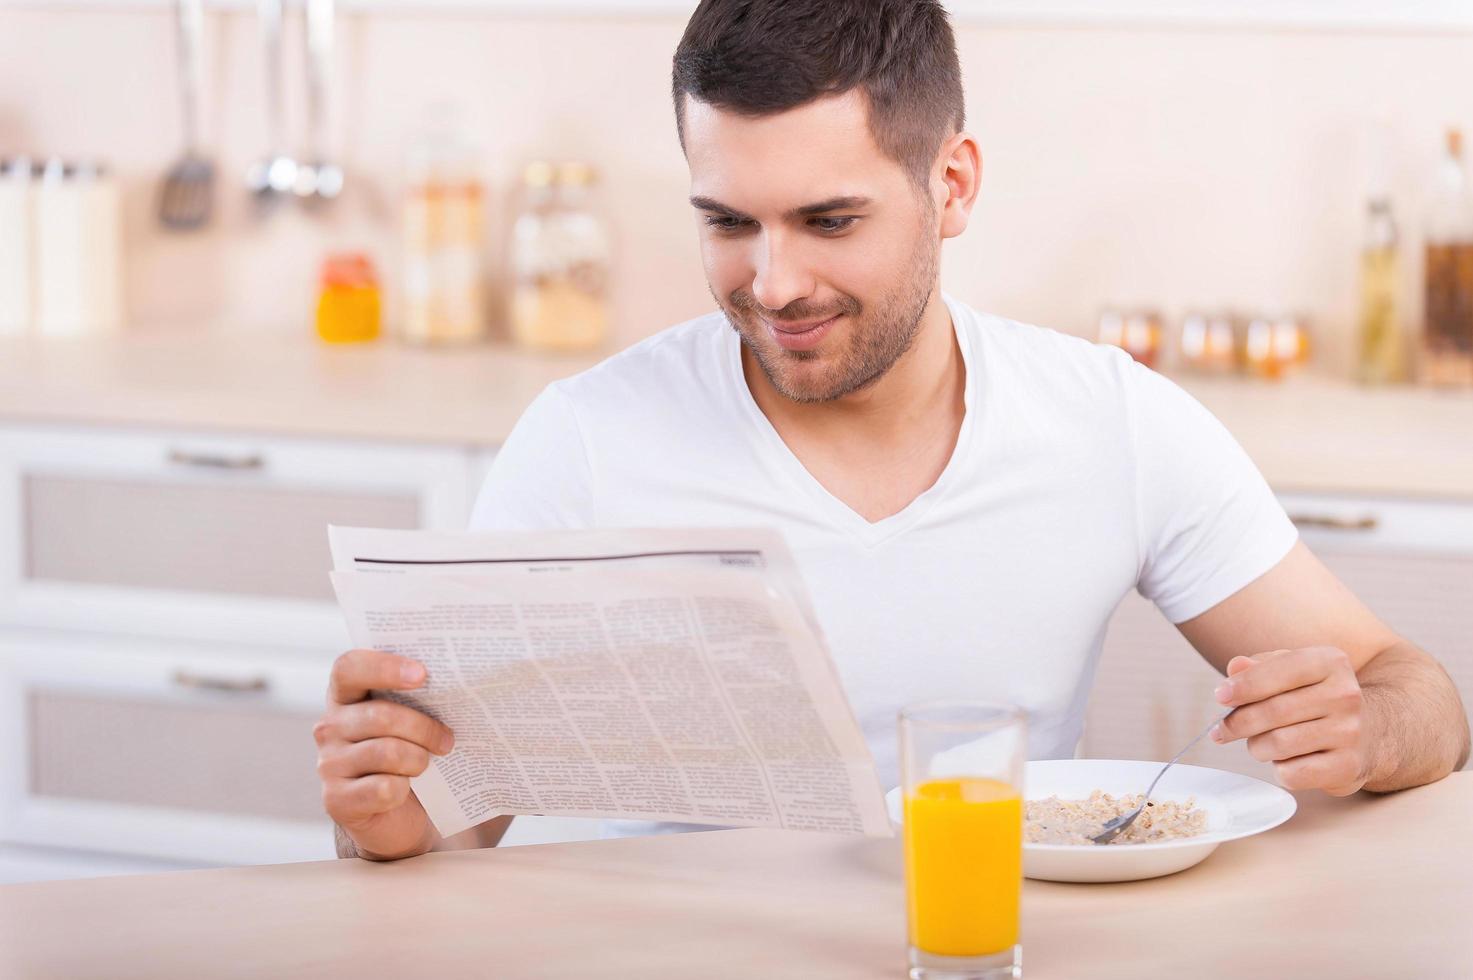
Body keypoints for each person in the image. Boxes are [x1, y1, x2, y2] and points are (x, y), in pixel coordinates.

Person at [315, 0, 1470, 862]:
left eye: (829, 221)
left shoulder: (1110, 421)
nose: (772, 283)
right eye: (728, 222)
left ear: (953, 185)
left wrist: (1365, 728)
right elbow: (445, 838)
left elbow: (1419, 693)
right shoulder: (586, 440)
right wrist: (389, 815)